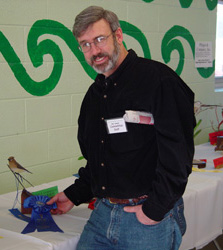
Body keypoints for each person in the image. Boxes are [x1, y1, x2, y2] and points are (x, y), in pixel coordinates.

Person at [47, 6, 196, 250]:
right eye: (85, 44)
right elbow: (100, 162)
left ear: (118, 36)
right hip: (103, 214)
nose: (94, 51)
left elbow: (178, 157)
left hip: (147, 219)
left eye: (99, 39)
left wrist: (154, 211)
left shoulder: (160, 82)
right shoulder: (94, 97)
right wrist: (74, 195)